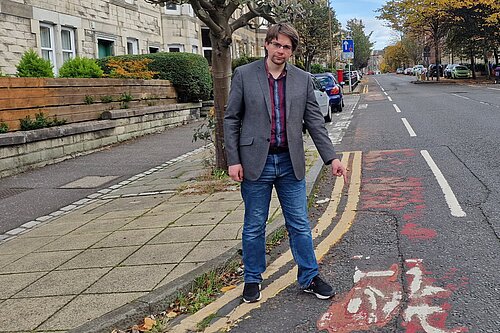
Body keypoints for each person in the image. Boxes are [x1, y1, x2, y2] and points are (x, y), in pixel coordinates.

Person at [224, 23, 348, 303]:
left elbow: (315, 122)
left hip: (290, 162)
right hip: (257, 162)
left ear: (292, 51)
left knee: (300, 224)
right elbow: (231, 118)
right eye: (277, 44)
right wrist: (233, 160)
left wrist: (332, 158)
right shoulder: (244, 75)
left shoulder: (302, 79)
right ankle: (252, 279)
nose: (281, 51)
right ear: (267, 44)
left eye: (287, 47)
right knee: (255, 225)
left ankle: (309, 277)